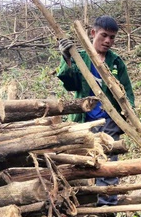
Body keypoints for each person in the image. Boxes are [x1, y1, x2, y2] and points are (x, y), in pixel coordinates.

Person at [57, 16, 135, 206]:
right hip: (83, 121)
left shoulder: (116, 62)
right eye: (104, 35)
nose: (108, 41)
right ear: (93, 33)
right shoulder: (81, 58)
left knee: (108, 165)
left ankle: (107, 209)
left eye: (112, 37)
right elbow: (69, 83)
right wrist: (66, 57)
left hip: (109, 121)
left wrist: (127, 115)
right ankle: (83, 205)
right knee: (80, 164)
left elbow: (127, 92)